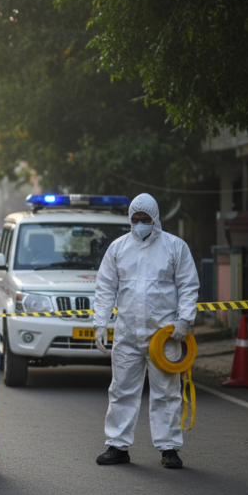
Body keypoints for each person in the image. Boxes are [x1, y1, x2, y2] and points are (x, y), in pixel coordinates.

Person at [93, 193, 199, 469]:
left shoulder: (175, 247)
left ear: (155, 218)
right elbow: (105, 288)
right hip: (127, 332)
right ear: (130, 219)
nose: (140, 223)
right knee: (121, 390)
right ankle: (117, 446)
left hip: (164, 335)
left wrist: (184, 321)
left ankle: (169, 448)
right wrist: (100, 323)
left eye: (145, 219)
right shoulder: (118, 248)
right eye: (136, 219)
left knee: (166, 392)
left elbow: (188, 286)